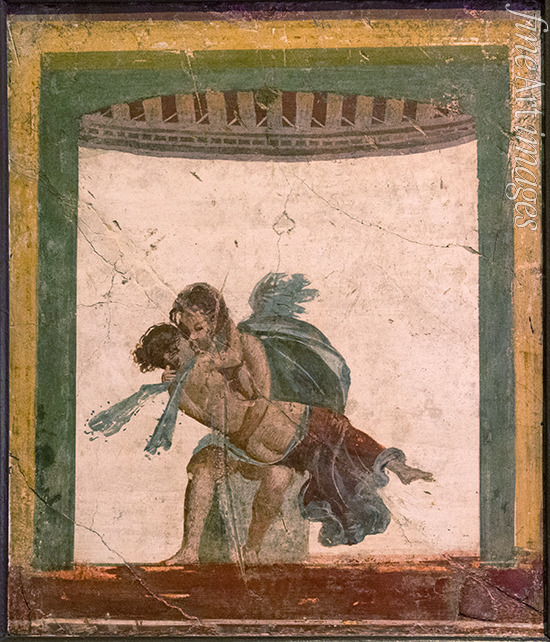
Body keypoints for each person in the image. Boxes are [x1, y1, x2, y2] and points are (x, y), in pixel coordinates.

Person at [133, 322, 433, 565]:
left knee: (339, 444)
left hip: (287, 428)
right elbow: (216, 410)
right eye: (174, 350)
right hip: (280, 437)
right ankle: (395, 469)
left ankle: (397, 467)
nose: (183, 349)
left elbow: (228, 396)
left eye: (180, 344)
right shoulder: (195, 371)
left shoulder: (194, 374)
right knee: (336, 449)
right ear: (167, 358)